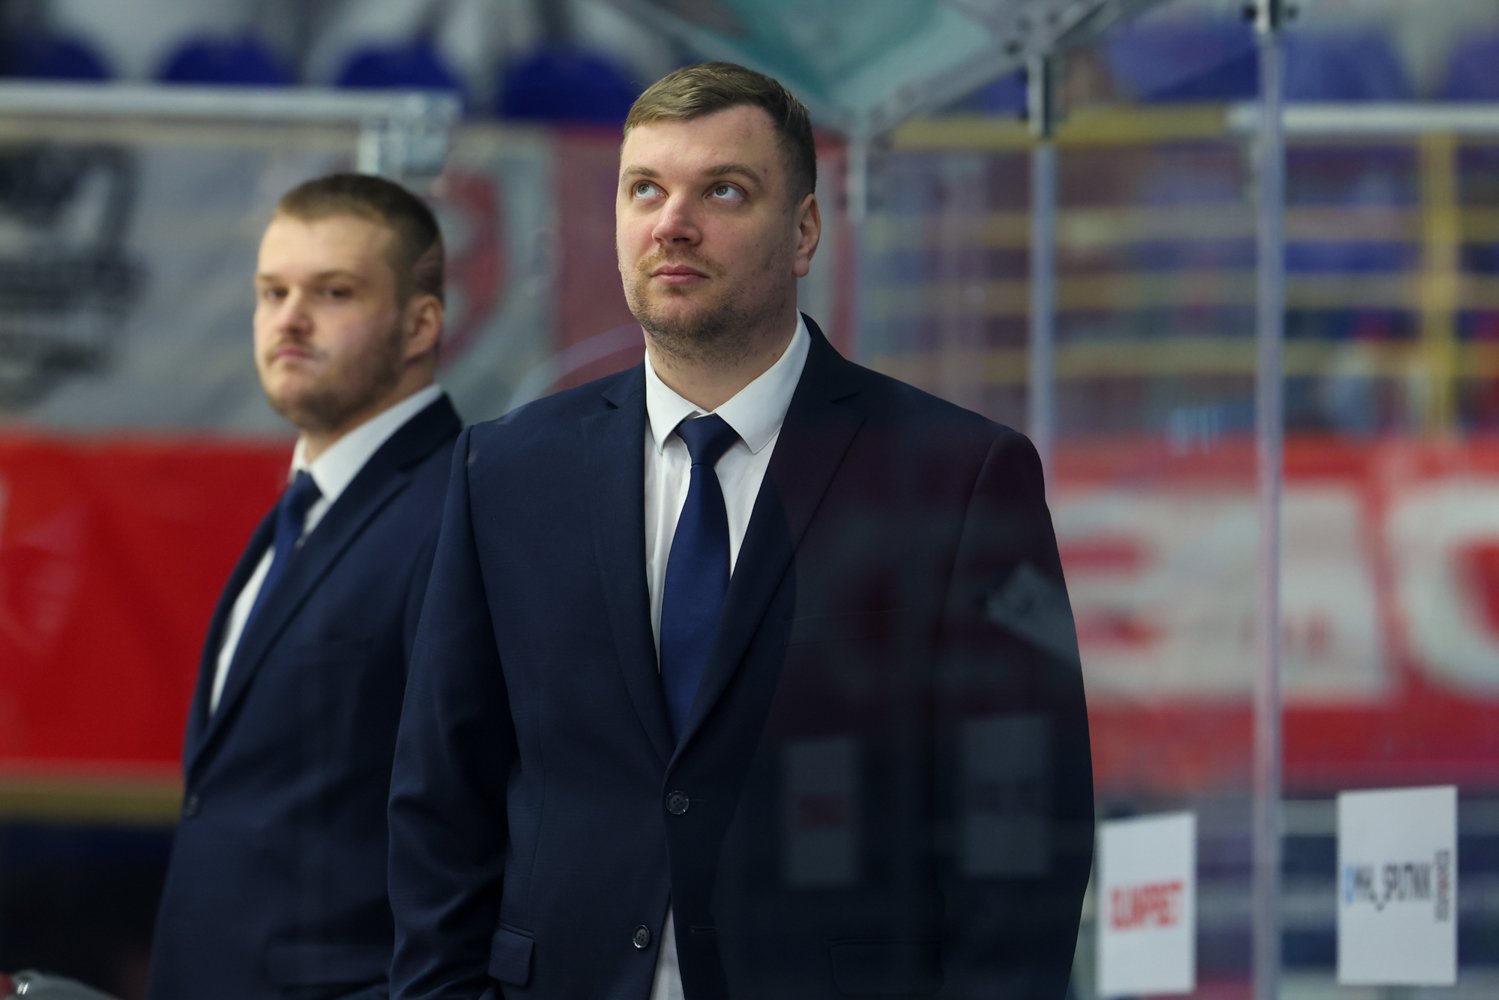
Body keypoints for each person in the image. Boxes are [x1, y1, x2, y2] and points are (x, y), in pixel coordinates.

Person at [388, 62, 1093, 999]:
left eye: (722, 190)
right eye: (645, 190)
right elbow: (443, 799)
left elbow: (1021, 820)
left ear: (803, 231)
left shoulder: (959, 476)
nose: (671, 224)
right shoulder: (504, 472)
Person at [149, 173, 461, 1000]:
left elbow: (479, 815)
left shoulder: (460, 511)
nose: (289, 318)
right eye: (272, 292)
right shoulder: (301, 509)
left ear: (419, 325)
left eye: (333, 292)